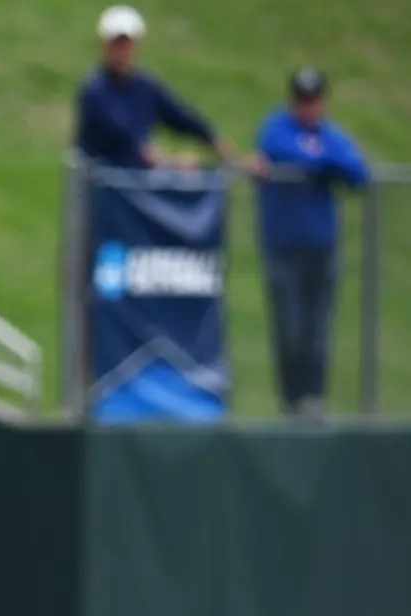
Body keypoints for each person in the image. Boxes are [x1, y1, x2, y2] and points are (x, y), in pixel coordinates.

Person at [254, 67, 372, 418]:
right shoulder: (276, 128)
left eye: (314, 100)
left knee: (317, 329)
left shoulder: (332, 136)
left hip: (323, 249)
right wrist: (321, 164)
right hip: (283, 248)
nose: (308, 107)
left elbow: (357, 171)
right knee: (289, 328)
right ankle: (291, 400)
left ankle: (313, 400)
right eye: (302, 100)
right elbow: (276, 150)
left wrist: (318, 161)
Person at [73, 5, 246, 170]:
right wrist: (169, 161)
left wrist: (215, 142)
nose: (122, 51)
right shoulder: (95, 91)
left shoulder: (145, 86)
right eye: (117, 44)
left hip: (136, 187)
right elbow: (125, 137)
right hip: (103, 189)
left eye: (127, 44)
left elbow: (180, 116)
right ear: (105, 46)